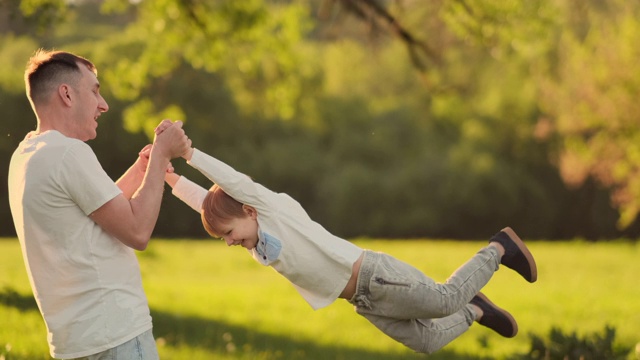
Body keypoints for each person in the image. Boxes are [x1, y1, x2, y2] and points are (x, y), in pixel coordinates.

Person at [161, 135, 537, 354]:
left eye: (229, 234)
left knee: (442, 300)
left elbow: (230, 182)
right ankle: (477, 310)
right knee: (427, 342)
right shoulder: (255, 239)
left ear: (249, 210)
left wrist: (188, 154)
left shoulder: (271, 209)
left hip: (375, 276)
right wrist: (172, 180)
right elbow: (208, 206)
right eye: (223, 238)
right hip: (363, 300)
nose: (228, 243)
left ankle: (499, 248)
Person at [8, 49, 191, 359]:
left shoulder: (27, 154)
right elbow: (136, 231)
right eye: (95, 90)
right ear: (66, 94)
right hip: (116, 337)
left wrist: (143, 170)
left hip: (76, 343)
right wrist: (161, 156)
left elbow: (94, 213)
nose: (103, 104)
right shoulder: (69, 153)